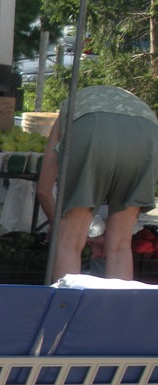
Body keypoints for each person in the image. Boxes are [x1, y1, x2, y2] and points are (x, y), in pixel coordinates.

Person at [37, 85, 158, 282]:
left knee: (69, 242)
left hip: (91, 129)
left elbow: (43, 189)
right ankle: (117, 302)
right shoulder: (134, 105)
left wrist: (61, 226)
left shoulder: (71, 107)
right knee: (120, 245)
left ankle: (70, 301)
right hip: (147, 134)